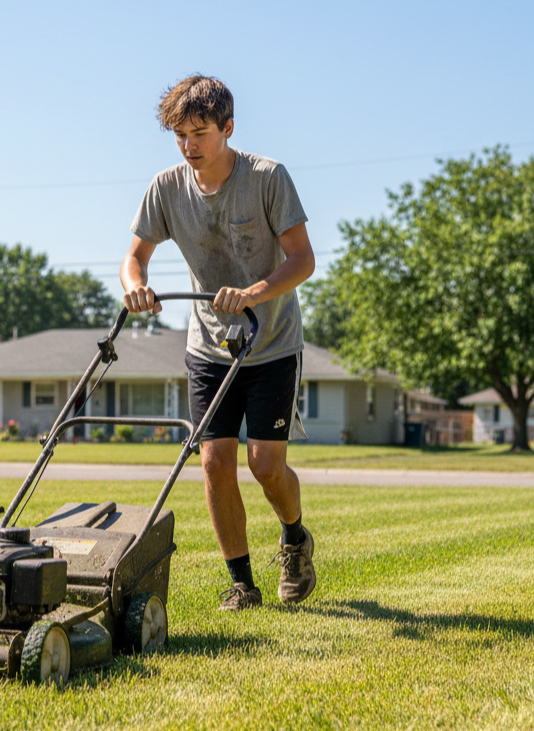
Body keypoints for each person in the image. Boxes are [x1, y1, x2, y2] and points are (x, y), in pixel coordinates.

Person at [120, 75, 317, 611]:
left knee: (266, 466)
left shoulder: (267, 178)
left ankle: (295, 539)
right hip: (208, 345)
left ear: (228, 128)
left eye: (200, 132)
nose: (189, 145)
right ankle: (242, 584)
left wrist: (256, 291)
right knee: (212, 462)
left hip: (271, 340)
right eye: (180, 134)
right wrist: (136, 288)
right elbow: (134, 257)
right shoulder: (166, 187)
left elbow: (303, 260)